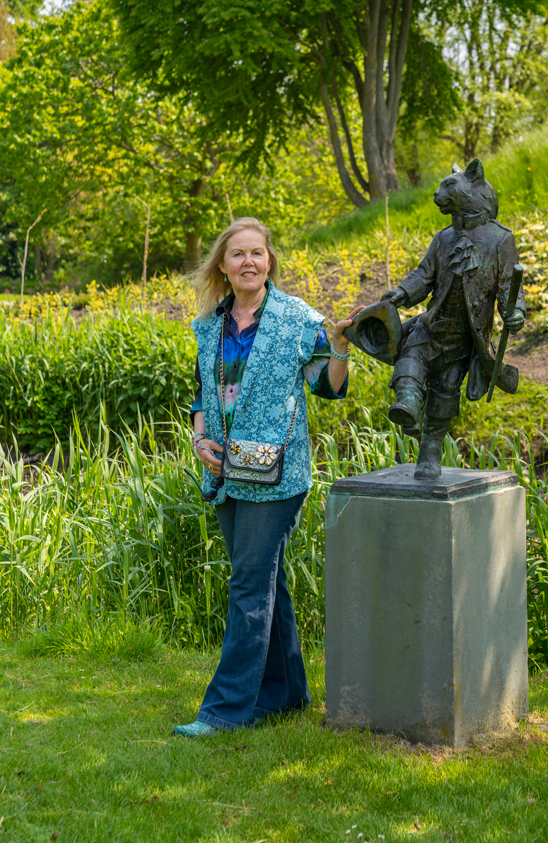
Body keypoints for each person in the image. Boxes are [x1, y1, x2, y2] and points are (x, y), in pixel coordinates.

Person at [173, 217, 363, 736]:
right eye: (238, 254)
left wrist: (340, 345)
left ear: (270, 261)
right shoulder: (210, 328)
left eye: (257, 253)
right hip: (226, 473)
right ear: (223, 266)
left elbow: (326, 385)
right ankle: (287, 694)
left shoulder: (296, 319)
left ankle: (224, 711)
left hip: (277, 476)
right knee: (267, 582)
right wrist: (199, 439)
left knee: (248, 585)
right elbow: (201, 397)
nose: (249, 262)